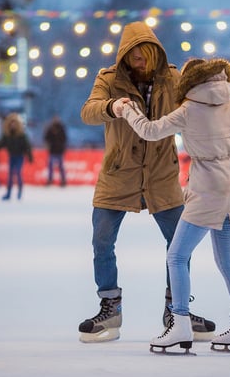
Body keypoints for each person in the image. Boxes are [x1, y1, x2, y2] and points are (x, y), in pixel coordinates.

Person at [115, 58, 230, 353]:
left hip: (205, 190)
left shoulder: (188, 108)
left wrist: (128, 110)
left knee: (176, 256)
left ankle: (181, 324)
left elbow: (149, 131)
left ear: (188, 81)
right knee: (227, 261)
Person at [78, 21, 214, 343]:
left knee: (180, 243)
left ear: (154, 53)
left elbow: (203, 102)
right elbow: (88, 111)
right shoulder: (109, 79)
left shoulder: (173, 78)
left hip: (161, 174)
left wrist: (228, 95)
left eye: (144, 56)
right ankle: (110, 306)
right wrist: (113, 106)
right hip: (118, 173)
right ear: (124, 57)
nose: (139, 62)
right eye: (133, 57)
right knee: (101, 241)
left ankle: (176, 309)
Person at [0, 113, 33, 201]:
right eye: (11, 124)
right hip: (12, 156)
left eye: (14, 124)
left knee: (18, 173)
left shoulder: (21, 135)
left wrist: (29, 156)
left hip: (19, 156)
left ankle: (19, 192)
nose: (13, 125)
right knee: (10, 175)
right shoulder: (7, 135)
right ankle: (8, 193)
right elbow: (1, 144)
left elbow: (27, 146)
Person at [43, 115, 67, 187]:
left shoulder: (61, 128)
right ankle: (50, 180)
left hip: (59, 150)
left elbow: (64, 138)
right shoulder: (50, 128)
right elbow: (46, 138)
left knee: (61, 167)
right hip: (52, 150)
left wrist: (62, 146)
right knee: (51, 167)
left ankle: (63, 180)